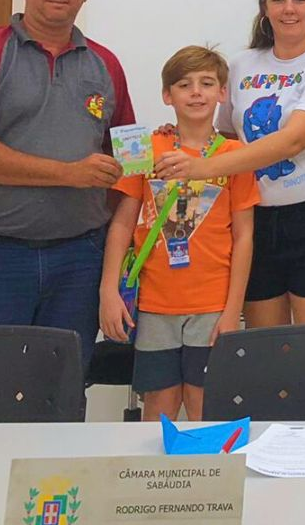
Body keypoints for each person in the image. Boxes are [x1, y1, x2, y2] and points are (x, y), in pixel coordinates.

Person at [154, 0, 305, 326]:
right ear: (264, 8)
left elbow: (293, 140)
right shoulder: (242, 64)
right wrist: (178, 137)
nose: (288, 9)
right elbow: (225, 139)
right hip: (254, 219)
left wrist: (200, 168)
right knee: (267, 355)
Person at [0, 0, 135, 368]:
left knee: (64, 387)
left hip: (81, 258)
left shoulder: (106, 64)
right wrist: (69, 174)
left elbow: (130, 164)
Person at [99, 47, 258, 421]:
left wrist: (234, 309)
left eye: (207, 83)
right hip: (155, 304)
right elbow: (122, 223)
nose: (197, 92)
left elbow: (245, 236)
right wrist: (108, 289)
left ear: (222, 92)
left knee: (206, 405)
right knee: (158, 407)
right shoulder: (144, 147)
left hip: (213, 304)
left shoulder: (236, 155)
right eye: (184, 85)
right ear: (167, 95)